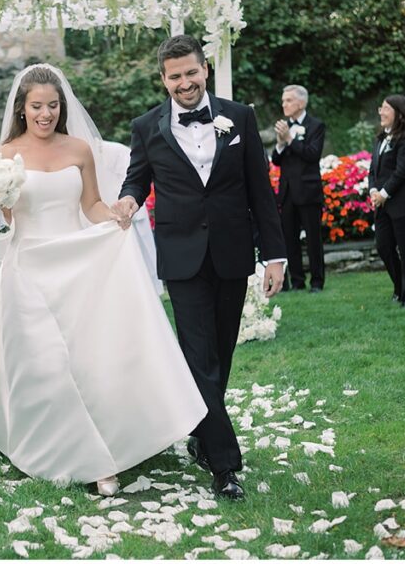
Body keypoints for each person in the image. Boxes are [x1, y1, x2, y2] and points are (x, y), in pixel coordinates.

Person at [0, 64, 207, 497]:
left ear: (61, 107)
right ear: (22, 110)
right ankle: (73, 454)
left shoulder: (80, 149)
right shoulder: (5, 156)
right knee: (43, 363)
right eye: (36, 106)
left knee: (85, 361)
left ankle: (104, 444)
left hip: (76, 266)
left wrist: (117, 214)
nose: (45, 113)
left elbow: (92, 207)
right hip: (28, 267)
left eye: (52, 105)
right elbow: (4, 217)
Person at [113, 35, 287, 500]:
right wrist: (129, 200)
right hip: (183, 256)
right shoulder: (147, 126)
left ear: (204, 69)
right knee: (197, 358)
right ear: (163, 79)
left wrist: (275, 256)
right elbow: (137, 177)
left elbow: (260, 191)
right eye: (175, 76)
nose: (184, 83)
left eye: (191, 72)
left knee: (220, 358)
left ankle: (200, 435)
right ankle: (226, 466)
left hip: (232, 253)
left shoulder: (241, 118)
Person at [368, 95, 405, 308]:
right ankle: (399, 286)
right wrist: (374, 190)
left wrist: (384, 193)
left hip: (404, 201)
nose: (381, 112)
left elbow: (404, 170)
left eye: (385, 108)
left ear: (399, 112)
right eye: (381, 107)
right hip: (382, 202)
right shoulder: (380, 138)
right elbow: (373, 170)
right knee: (383, 246)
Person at [271, 84, 325, 292]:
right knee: (289, 238)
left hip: (308, 191)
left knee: (313, 239)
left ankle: (317, 282)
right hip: (287, 192)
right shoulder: (284, 127)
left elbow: (312, 154)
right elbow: (276, 160)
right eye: (283, 100)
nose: (284, 104)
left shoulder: (316, 126)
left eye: (288, 100)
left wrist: (290, 139)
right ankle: (297, 281)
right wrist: (280, 143)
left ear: (301, 103)